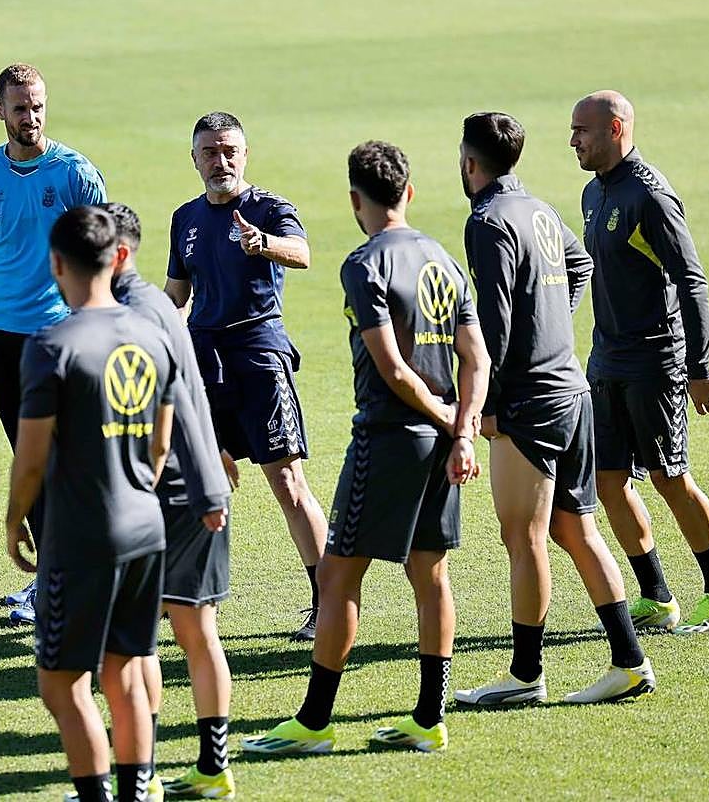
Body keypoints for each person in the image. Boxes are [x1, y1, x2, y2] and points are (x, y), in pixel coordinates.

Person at [242, 141, 488, 756]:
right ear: (409, 192)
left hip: (388, 437)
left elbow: (396, 373)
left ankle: (315, 722)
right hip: (439, 443)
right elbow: (476, 359)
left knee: (338, 573)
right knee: (430, 575)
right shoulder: (443, 259)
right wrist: (459, 428)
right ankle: (429, 718)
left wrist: (448, 422)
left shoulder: (364, 265)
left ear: (355, 200)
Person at [451, 112, 656, 707]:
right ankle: (629, 662)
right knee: (574, 527)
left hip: (527, 402)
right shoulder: (539, 209)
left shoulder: (487, 222)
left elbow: (493, 320)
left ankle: (524, 675)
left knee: (525, 536)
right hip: (571, 391)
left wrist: (486, 404)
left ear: (469, 162)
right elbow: (581, 263)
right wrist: (555, 325)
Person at [5, 206, 176, 802]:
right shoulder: (154, 335)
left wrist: (13, 520)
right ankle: (135, 792)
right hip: (146, 526)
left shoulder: (51, 346)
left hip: (83, 534)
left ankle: (96, 795)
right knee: (126, 667)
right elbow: (160, 445)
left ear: (57, 264)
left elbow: (30, 460)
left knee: (61, 681)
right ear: (114, 259)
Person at [570, 91, 709, 633]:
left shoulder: (650, 196)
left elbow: (691, 280)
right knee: (609, 479)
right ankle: (656, 595)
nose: (574, 140)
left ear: (615, 129)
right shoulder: (592, 194)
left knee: (670, 478)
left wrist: (698, 365)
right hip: (607, 358)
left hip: (655, 359)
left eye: (583, 131)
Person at [164, 111, 327, 641]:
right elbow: (176, 296)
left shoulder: (269, 209)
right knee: (198, 482)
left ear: (246, 154)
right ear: (194, 159)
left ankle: (329, 599)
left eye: (230, 150)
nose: (221, 161)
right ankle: (181, 598)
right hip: (204, 363)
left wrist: (264, 245)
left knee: (287, 483)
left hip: (258, 358)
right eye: (210, 152)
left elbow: (302, 253)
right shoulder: (185, 218)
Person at [0, 63, 107, 624]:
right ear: (0, 111)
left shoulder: (75, 173)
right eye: (20, 108)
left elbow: (101, 256)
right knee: (31, 457)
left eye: (39, 106)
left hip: (56, 334)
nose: (31, 117)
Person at [105, 203, 234, 800]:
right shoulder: (155, 302)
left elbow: (162, 411)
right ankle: (209, 766)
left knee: (146, 637)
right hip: (195, 486)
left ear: (119, 253)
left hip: (169, 493)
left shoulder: (131, 314)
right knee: (191, 631)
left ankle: (147, 773)